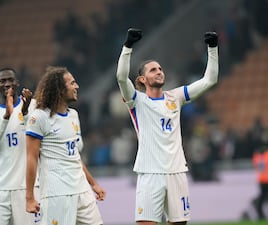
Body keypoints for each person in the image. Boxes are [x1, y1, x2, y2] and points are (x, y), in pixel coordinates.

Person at [116, 28, 219, 225]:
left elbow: (210, 80)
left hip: (176, 172)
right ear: (142, 80)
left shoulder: (176, 97)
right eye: (153, 70)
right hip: (149, 173)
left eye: (161, 69)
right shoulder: (137, 100)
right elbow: (121, 77)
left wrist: (212, 49)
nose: (159, 72)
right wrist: (127, 46)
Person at [25, 66, 105, 225]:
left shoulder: (74, 115)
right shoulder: (39, 117)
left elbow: (74, 156)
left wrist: (93, 183)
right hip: (57, 193)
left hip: (82, 190)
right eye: (72, 83)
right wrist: (29, 197)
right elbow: (31, 158)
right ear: (60, 89)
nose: (77, 86)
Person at [0, 68, 40, 225]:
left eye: (10, 80)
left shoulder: (33, 105)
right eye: (3, 81)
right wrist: (6, 118)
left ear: (17, 83)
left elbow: (38, 138)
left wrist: (25, 114)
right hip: (2, 187)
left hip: (26, 188)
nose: (7, 84)